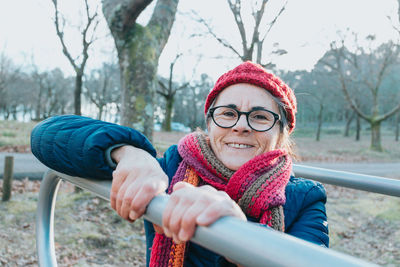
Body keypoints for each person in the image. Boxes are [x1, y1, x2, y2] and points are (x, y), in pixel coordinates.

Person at [31, 61, 328, 267]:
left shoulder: (306, 198)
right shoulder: (171, 168)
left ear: (283, 131)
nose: (241, 126)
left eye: (261, 117)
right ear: (209, 122)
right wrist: (127, 151)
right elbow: (47, 135)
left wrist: (242, 236)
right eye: (227, 113)